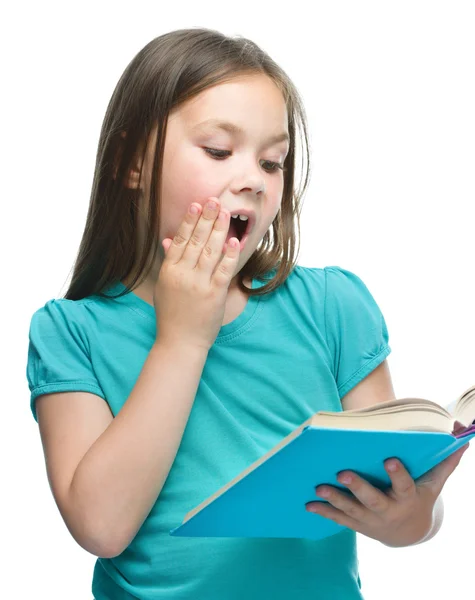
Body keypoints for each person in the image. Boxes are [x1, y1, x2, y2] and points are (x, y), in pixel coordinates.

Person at [26, 28, 468, 600]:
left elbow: (409, 507)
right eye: (217, 151)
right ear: (132, 164)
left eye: (272, 161)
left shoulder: (333, 307)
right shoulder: (69, 334)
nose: (253, 181)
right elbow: (101, 527)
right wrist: (182, 339)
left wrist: (411, 519)